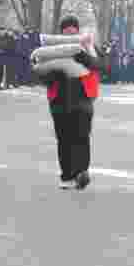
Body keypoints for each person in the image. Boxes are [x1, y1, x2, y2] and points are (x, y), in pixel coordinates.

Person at [38, 16, 100, 190]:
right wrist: (51, 77)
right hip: (59, 99)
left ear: (77, 30)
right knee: (64, 138)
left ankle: (81, 171)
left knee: (82, 136)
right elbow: (40, 72)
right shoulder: (52, 49)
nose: (71, 31)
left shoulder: (87, 46)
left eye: (74, 29)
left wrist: (86, 59)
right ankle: (67, 175)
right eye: (67, 29)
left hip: (83, 99)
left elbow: (101, 65)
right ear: (62, 31)